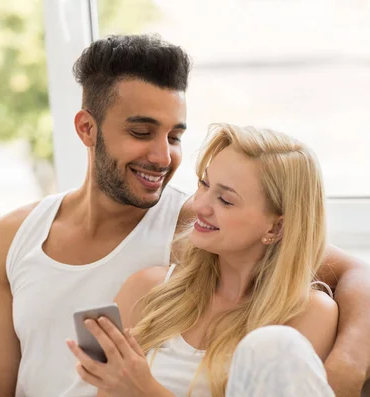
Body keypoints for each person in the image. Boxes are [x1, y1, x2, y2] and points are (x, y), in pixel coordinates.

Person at [0, 35, 370, 397]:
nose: (163, 156)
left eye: (174, 136)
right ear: (86, 129)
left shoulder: (194, 223)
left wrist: (345, 368)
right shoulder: (17, 234)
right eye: (141, 132)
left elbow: (363, 278)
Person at [65, 123, 338, 397]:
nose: (200, 205)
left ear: (275, 228)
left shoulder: (307, 315)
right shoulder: (148, 290)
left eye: (226, 200)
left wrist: (144, 389)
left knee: (272, 343)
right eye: (204, 184)